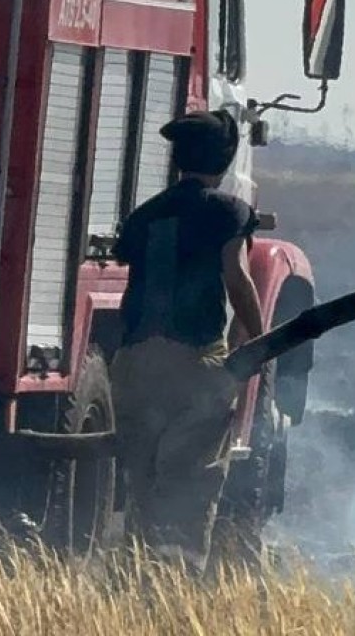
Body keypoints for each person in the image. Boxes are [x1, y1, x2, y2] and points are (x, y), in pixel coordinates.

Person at [110, 109, 264, 571]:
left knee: (143, 481)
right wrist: (257, 346)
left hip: (133, 364)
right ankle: (175, 589)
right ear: (225, 158)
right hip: (195, 362)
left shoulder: (144, 216)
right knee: (191, 483)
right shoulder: (229, 212)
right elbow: (237, 280)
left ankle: (137, 579)